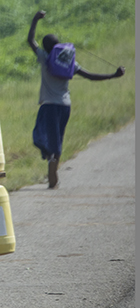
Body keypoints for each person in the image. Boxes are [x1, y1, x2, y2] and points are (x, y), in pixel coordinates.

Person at [27, 10, 125, 188]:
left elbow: (30, 41)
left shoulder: (45, 58)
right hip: (65, 106)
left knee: (40, 136)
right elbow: (90, 76)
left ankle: (51, 163)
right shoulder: (67, 61)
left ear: (46, 48)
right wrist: (113, 75)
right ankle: (53, 161)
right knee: (58, 137)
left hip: (49, 106)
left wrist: (35, 19)